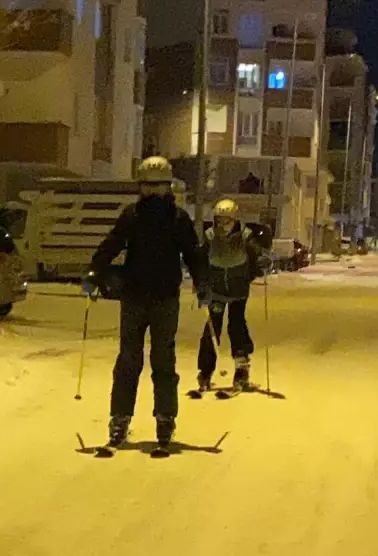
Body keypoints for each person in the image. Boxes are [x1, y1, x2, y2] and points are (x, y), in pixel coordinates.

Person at [89, 155, 208, 452]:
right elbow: (112, 244)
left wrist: (203, 283)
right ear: (140, 187)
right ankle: (120, 418)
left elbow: (193, 254)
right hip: (134, 296)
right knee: (129, 359)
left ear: (169, 187)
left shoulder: (178, 219)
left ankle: (165, 417)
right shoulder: (132, 216)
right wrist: (94, 272)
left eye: (159, 186)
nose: (154, 192)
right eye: (148, 186)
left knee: (163, 359)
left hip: (165, 298)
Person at [196, 198, 263, 392]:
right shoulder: (209, 236)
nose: (222, 225)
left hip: (237, 290)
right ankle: (206, 370)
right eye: (219, 220)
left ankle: (241, 368)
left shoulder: (245, 236)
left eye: (226, 221)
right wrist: (201, 284)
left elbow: (255, 256)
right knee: (211, 328)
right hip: (216, 290)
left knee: (237, 325)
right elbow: (200, 260)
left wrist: (260, 264)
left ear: (234, 220)